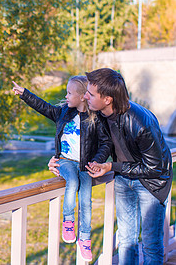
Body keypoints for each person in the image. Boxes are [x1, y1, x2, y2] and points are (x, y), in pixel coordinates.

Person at [50, 68, 172, 264]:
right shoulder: (99, 115)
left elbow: (154, 168)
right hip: (124, 178)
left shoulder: (141, 123)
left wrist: (111, 167)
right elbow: (82, 141)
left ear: (107, 99)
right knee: (126, 240)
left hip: (151, 183)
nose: (86, 96)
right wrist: (58, 158)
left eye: (90, 94)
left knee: (150, 244)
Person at [12, 76, 111, 262]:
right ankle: (68, 222)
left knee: (86, 200)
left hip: (85, 165)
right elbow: (44, 107)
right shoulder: (64, 113)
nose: (66, 96)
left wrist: (97, 161)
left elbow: (106, 143)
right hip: (65, 161)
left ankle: (85, 238)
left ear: (83, 97)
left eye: (69, 93)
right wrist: (25, 94)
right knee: (72, 183)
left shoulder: (95, 119)